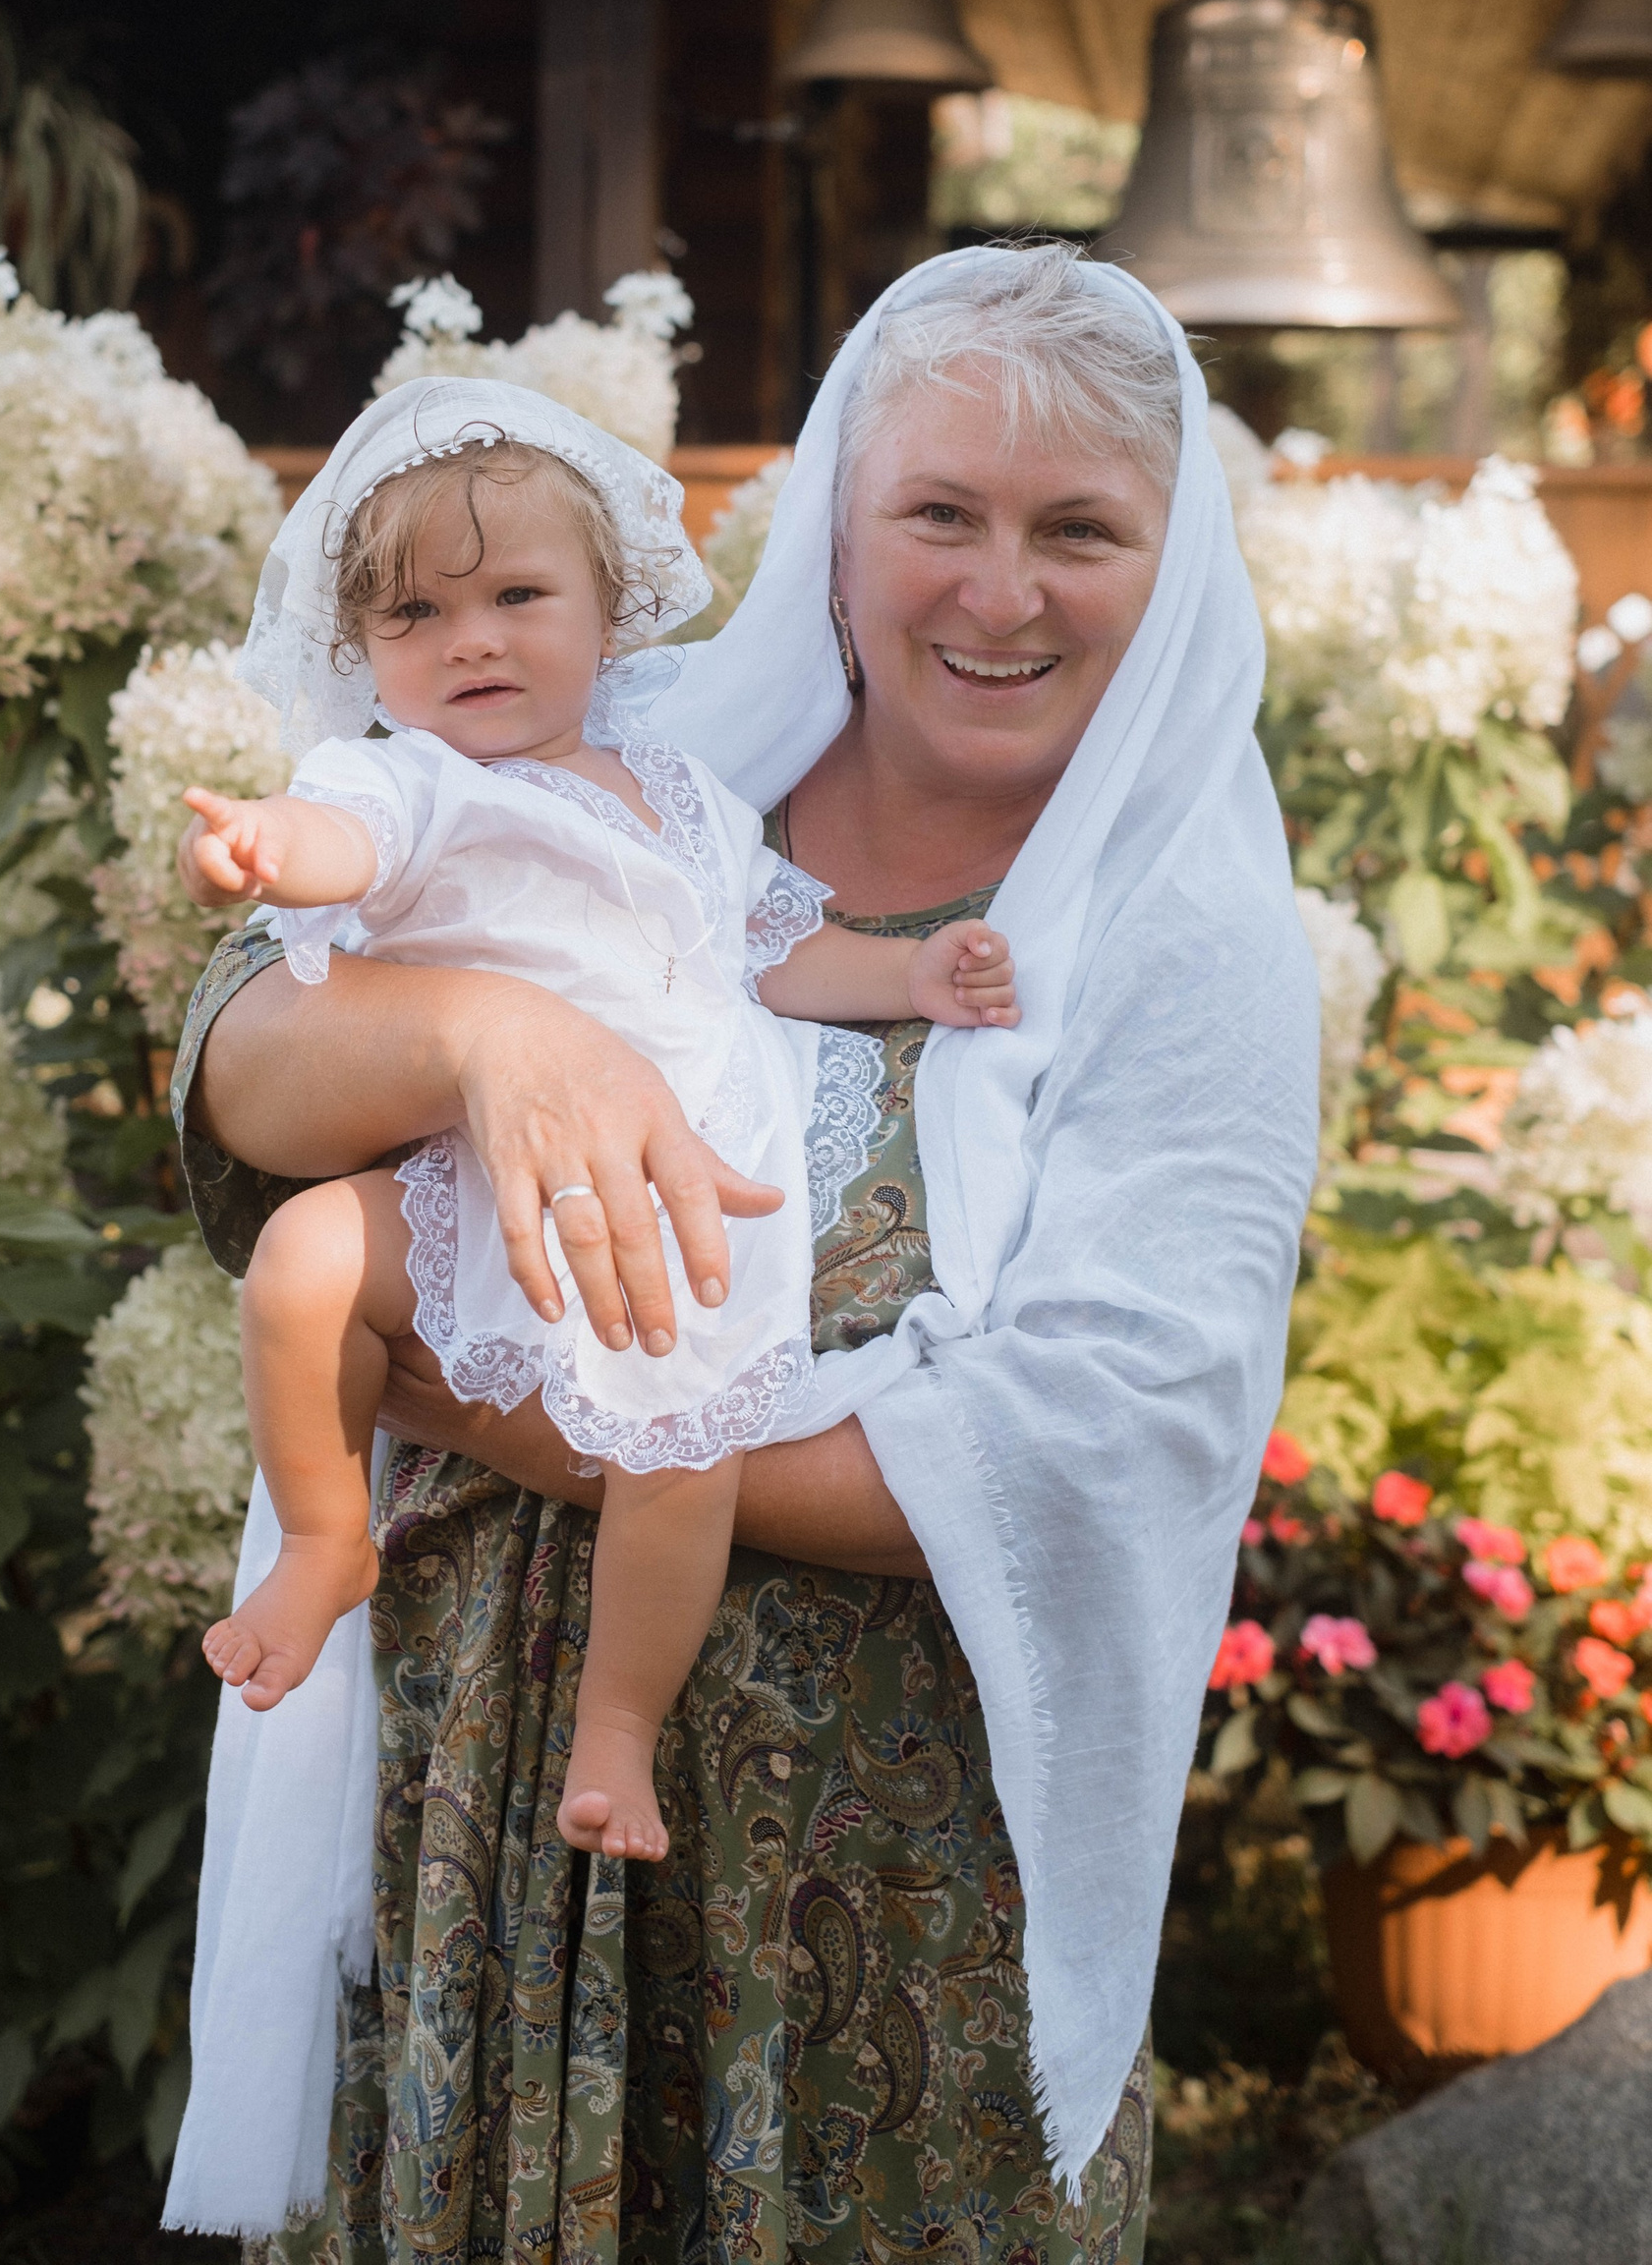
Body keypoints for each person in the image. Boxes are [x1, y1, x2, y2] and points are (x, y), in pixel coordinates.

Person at [162, 241, 1320, 2262]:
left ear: (1174, 565)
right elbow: (244, 1050)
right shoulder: (654, 758)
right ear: (836, 531)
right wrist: (482, 1035)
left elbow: (1100, 1436)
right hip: (480, 1810)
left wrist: (550, 1439)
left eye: (1079, 530)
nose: (999, 591)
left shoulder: (1183, 938)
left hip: (877, 1909)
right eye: (939, 513)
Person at [175, 388, 1016, 1867]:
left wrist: (910, 976)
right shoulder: (414, 783)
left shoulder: (682, 795)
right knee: (301, 1260)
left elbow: (765, 950)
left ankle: (618, 1727)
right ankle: (323, 1539)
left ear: (609, 616)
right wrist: (262, 845)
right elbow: (340, 838)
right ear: (363, 650)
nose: (471, 641)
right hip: (483, 1186)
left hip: (670, 1192)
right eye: (417, 615)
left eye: (517, 597)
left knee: (681, 1453)